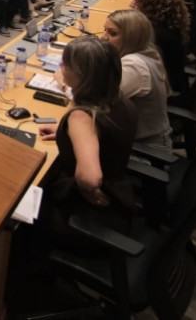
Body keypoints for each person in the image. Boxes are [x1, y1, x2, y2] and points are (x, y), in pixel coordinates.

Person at [30, 36, 137, 254]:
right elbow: (105, 138)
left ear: (81, 75)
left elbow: (90, 177)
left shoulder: (82, 118)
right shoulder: (119, 99)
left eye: (66, 65)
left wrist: (86, 187)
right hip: (120, 200)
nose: (61, 68)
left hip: (85, 220)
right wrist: (66, 136)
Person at [101, 9, 173, 157]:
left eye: (112, 33)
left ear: (131, 38)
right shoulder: (148, 50)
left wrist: (65, 83)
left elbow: (98, 101)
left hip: (143, 151)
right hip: (142, 139)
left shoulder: (134, 66)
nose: (103, 37)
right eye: (105, 30)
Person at [131, 0, 191, 103]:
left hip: (163, 90)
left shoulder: (154, 35)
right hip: (173, 80)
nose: (131, 4)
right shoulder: (167, 24)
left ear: (151, 6)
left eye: (136, 1)